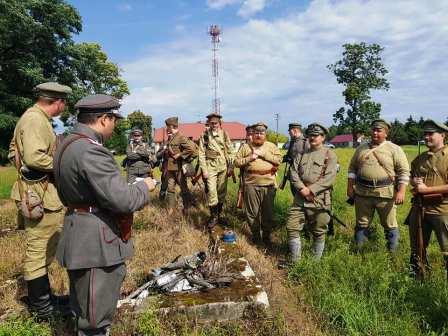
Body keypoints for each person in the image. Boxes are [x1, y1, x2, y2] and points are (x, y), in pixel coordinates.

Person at [53, 94, 156, 335]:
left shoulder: (66, 144)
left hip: (78, 229)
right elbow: (123, 201)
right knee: (94, 319)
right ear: (102, 119)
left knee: (84, 308)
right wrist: (144, 186)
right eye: (114, 120)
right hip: (95, 243)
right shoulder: (91, 151)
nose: (115, 126)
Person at [8, 82, 72, 320]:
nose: (64, 106)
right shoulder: (35, 120)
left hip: (37, 193)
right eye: (64, 102)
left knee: (44, 249)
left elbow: (13, 152)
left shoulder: (33, 118)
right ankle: (42, 309)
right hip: (41, 197)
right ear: (57, 101)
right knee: (39, 250)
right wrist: (63, 164)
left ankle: (44, 299)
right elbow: (35, 157)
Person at [347, 119, 409, 251]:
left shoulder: (394, 149)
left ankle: (393, 255)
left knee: (390, 225)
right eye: (373, 130)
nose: (375, 133)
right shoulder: (361, 148)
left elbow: (403, 172)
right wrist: (349, 187)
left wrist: (401, 191)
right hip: (363, 193)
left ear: (386, 133)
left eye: (379, 131)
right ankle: (361, 252)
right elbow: (352, 169)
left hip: (385, 193)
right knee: (361, 224)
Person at [285, 123, 337, 261]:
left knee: (319, 231)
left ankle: (315, 262)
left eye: (316, 135)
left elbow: (329, 178)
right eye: (310, 135)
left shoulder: (329, 154)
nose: (312, 137)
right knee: (292, 226)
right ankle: (296, 261)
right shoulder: (301, 154)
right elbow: (293, 172)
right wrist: (302, 189)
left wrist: (311, 190)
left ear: (323, 137)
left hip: (319, 199)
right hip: (300, 197)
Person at [408, 120, 448, 279]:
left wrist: (427, 189)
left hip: (443, 210)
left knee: (447, 249)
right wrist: (414, 182)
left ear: (443, 135)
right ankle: (418, 280)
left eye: (431, 134)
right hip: (420, 209)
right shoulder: (420, 159)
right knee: (417, 249)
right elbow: (412, 177)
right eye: (425, 134)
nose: (426, 137)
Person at [234, 122, 281, 245]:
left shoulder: (271, 146)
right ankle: (256, 237)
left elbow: (278, 160)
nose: (259, 135)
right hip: (251, 184)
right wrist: (250, 158)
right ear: (252, 134)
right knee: (252, 213)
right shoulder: (245, 147)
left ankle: (266, 237)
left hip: (268, 185)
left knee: (268, 213)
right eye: (256, 133)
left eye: (261, 133)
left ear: (265, 134)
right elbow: (236, 162)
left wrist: (264, 154)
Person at [198, 113, 236, 228]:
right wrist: (204, 170)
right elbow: (201, 153)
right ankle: (213, 217)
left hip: (223, 166)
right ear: (209, 123)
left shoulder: (224, 134)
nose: (214, 125)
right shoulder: (204, 135)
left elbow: (230, 151)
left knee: (221, 192)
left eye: (216, 123)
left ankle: (218, 215)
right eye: (211, 123)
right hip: (210, 167)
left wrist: (231, 167)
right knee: (212, 191)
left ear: (220, 124)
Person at [159, 117, 197, 211]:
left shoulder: (181, 137)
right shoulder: (171, 137)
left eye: (168, 126)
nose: (167, 128)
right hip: (170, 168)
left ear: (172, 126)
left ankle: (187, 208)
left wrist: (180, 154)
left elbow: (191, 149)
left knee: (184, 189)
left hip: (179, 168)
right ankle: (170, 210)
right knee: (170, 189)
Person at [283, 122, 308, 195]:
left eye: (289, 131)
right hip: (293, 175)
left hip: (302, 175)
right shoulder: (292, 142)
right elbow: (288, 155)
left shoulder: (305, 142)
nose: (289, 133)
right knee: (295, 196)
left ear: (295, 130)